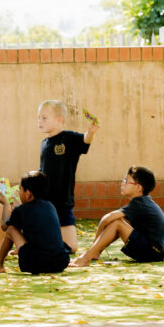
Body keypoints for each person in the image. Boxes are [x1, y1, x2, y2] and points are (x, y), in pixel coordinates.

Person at [70, 165, 164, 268]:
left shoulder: (140, 203)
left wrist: (94, 244)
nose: (122, 184)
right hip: (157, 252)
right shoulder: (143, 201)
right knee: (120, 221)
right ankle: (95, 252)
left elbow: (106, 218)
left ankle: (86, 257)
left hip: (152, 252)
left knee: (116, 223)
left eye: (126, 181)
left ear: (138, 187)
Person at [36, 99, 98, 253]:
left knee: (72, 247)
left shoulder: (68, 138)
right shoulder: (44, 143)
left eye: (44, 118)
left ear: (59, 120)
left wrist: (90, 132)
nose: (39, 121)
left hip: (62, 201)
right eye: (38, 117)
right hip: (44, 200)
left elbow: (85, 141)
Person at [0, 171, 71, 274]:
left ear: (28, 194)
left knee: (11, 229)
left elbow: (5, 227)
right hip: (61, 263)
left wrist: (6, 204)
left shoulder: (21, 209)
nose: (19, 194)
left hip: (35, 264)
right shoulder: (50, 206)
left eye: (20, 190)